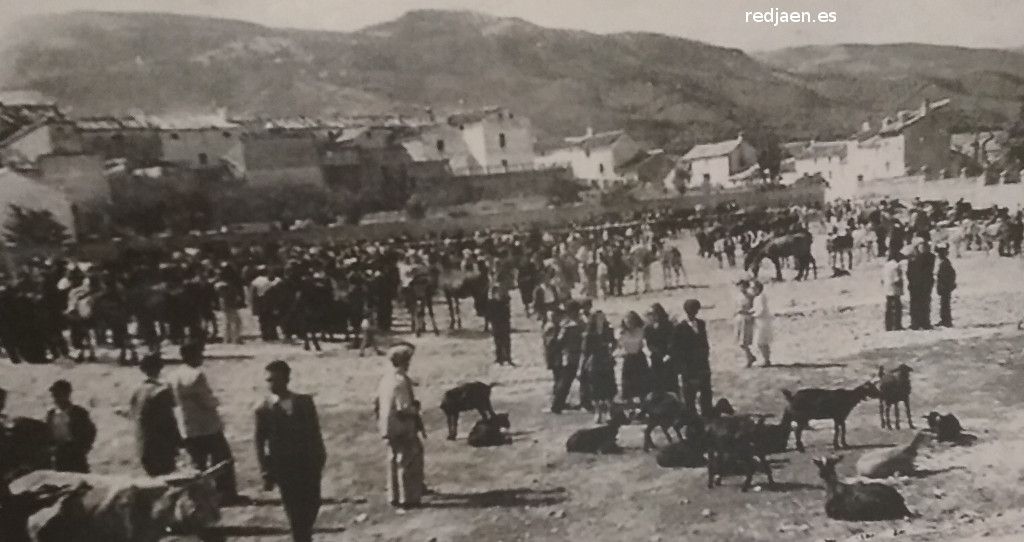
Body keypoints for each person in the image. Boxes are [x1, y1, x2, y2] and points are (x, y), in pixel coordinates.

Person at [255, 360, 326, 542]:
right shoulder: (264, 409)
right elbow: (259, 442)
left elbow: (315, 432)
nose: (271, 385)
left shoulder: (304, 402)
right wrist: (265, 471)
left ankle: (304, 534)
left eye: (275, 380)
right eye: (269, 380)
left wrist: (320, 457)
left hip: (308, 465)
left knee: (312, 504)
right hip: (284, 468)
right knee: (294, 512)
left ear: (287, 379)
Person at [169, 341, 242, 503]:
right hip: (206, 425)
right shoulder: (196, 375)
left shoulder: (173, 375)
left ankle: (197, 497)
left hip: (187, 425)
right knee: (222, 459)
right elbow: (206, 401)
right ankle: (226, 494)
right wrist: (217, 401)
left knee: (197, 463)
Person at [377, 344, 426, 508]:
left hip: (388, 424)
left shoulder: (386, 379)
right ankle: (409, 497)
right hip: (402, 425)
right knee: (408, 459)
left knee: (393, 459)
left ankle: (394, 495)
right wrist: (415, 409)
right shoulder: (401, 381)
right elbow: (403, 407)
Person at [129, 354, 182, 476]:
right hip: (160, 448)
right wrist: (178, 442)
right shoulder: (161, 391)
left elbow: (133, 414)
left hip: (143, 446)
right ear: (160, 369)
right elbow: (169, 421)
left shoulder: (137, 389)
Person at [44, 380, 96, 473]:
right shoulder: (51, 414)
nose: (56, 398)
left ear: (67, 394)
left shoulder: (79, 413)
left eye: (59, 394)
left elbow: (91, 432)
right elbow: (48, 434)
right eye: (54, 395)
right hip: (58, 456)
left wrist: (83, 449)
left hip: (75, 456)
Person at [672, 299, 713, 416]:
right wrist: (681, 366)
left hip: (702, 362)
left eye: (695, 310)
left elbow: (704, 341)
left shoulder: (701, 324)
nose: (693, 312)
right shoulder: (679, 327)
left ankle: (707, 411)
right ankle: (691, 414)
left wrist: (705, 354)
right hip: (688, 363)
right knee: (689, 391)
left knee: (705, 388)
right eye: (691, 310)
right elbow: (676, 348)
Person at [582, 311, 617, 423]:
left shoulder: (608, 330)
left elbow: (614, 342)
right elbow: (585, 350)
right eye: (598, 318)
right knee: (596, 388)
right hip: (595, 361)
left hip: (606, 359)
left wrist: (611, 350)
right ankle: (598, 411)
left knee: (609, 386)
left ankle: (609, 411)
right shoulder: (589, 334)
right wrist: (582, 365)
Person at [553, 302, 585, 413]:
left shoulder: (567, 325)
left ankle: (558, 404)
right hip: (579, 354)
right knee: (577, 381)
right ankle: (585, 403)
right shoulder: (581, 324)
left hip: (569, 355)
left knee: (565, 382)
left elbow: (559, 341)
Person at [618, 311, 651, 416]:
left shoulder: (641, 331)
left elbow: (645, 345)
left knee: (642, 386)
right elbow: (619, 347)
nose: (629, 323)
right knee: (627, 386)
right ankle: (630, 411)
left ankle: (644, 410)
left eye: (631, 320)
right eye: (627, 321)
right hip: (628, 359)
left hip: (639, 359)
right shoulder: (622, 333)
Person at [644, 303, 676, 394]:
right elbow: (649, 343)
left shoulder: (668, 326)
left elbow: (671, 341)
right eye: (651, 314)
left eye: (655, 314)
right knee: (656, 383)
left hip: (667, 358)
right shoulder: (648, 328)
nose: (653, 317)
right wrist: (654, 353)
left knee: (669, 384)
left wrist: (668, 354)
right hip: (655, 358)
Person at [907, 241, 936, 330]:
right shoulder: (930, 257)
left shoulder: (915, 259)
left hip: (919, 284)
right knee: (923, 304)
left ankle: (918, 322)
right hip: (921, 284)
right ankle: (923, 322)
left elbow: (909, 273)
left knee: (919, 304)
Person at [542, 308, 563, 413]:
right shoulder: (551, 328)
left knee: (558, 378)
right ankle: (556, 399)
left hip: (554, 356)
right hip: (555, 357)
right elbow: (550, 343)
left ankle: (558, 399)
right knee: (558, 379)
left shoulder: (551, 326)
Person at [486, 286, 513, 366]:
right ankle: (499, 358)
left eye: (500, 292)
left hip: (504, 324)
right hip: (496, 324)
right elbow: (489, 314)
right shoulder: (491, 302)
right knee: (498, 341)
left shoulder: (505, 301)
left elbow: (508, 313)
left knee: (507, 341)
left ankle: (508, 358)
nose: (498, 294)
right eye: (497, 292)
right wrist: (491, 322)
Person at [215, 272, 243, 345]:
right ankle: (235, 338)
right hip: (229, 306)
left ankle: (228, 338)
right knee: (235, 322)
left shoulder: (219, 285)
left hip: (226, 305)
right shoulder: (225, 285)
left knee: (228, 323)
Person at [749, 281, 773, 367]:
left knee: (761, 342)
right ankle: (765, 359)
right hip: (759, 322)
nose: (752, 290)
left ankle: (766, 360)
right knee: (760, 342)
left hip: (763, 322)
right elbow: (755, 308)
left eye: (753, 288)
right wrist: (750, 311)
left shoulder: (762, 297)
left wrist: (753, 315)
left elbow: (761, 310)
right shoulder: (756, 298)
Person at [733, 279, 756, 367]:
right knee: (739, 340)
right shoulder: (738, 296)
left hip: (746, 319)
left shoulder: (751, 296)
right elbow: (735, 307)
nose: (741, 288)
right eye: (740, 286)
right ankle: (750, 356)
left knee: (744, 341)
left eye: (743, 286)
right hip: (739, 319)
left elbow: (754, 307)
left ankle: (749, 359)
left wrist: (749, 312)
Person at [881, 251, 904, 331]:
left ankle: (888, 326)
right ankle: (897, 325)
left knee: (889, 308)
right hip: (895, 289)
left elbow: (882, 279)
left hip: (887, 289)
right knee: (897, 308)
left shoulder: (886, 265)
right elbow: (897, 279)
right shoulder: (896, 265)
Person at [935, 243, 957, 327]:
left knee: (945, 304)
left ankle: (946, 321)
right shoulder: (945, 262)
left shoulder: (944, 263)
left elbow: (950, 274)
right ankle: (945, 320)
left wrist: (947, 284)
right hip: (945, 286)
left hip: (945, 286)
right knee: (944, 304)